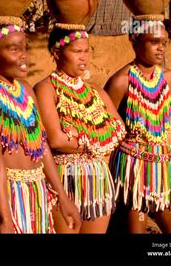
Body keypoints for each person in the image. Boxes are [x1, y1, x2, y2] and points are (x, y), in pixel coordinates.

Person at [0, 24, 81, 233]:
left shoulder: (26, 90)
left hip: (37, 190)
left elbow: (42, 146)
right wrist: (5, 218)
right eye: (14, 49)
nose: (24, 56)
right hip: (8, 193)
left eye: (25, 48)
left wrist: (63, 196)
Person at [34, 26, 126, 233]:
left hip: (98, 181)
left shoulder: (96, 91)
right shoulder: (45, 89)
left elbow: (119, 132)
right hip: (63, 180)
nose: (84, 57)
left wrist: (77, 136)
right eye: (77, 52)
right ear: (57, 53)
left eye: (86, 51)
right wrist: (98, 137)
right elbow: (56, 140)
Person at [105, 21, 171, 233]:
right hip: (132, 176)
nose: (161, 48)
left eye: (165, 42)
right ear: (135, 42)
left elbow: (169, 121)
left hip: (166, 172)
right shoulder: (120, 82)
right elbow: (107, 131)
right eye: (154, 42)